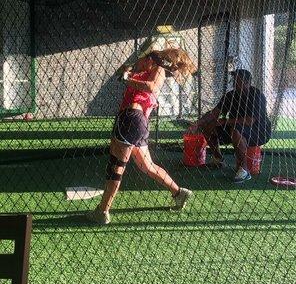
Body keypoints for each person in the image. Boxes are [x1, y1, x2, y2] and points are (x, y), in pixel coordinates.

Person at [87, 48, 197, 224]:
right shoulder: (146, 69)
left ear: (152, 60)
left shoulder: (158, 69)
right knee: (147, 166)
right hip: (137, 123)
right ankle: (179, 192)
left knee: (116, 166)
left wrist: (128, 79)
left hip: (131, 119)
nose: (141, 60)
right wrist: (127, 71)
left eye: (145, 58)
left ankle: (102, 211)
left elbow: (151, 86)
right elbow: (130, 71)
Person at [189, 69, 272, 183]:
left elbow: (249, 121)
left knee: (236, 130)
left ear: (247, 82)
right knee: (208, 126)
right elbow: (214, 113)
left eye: (238, 80)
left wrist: (225, 122)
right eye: (234, 80)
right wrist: (197, 123)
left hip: (259, 131)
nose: (234, 83)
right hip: (235, 128)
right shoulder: (230, 96)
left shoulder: (257, 95)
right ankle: (218, 159)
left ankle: (244, 170)